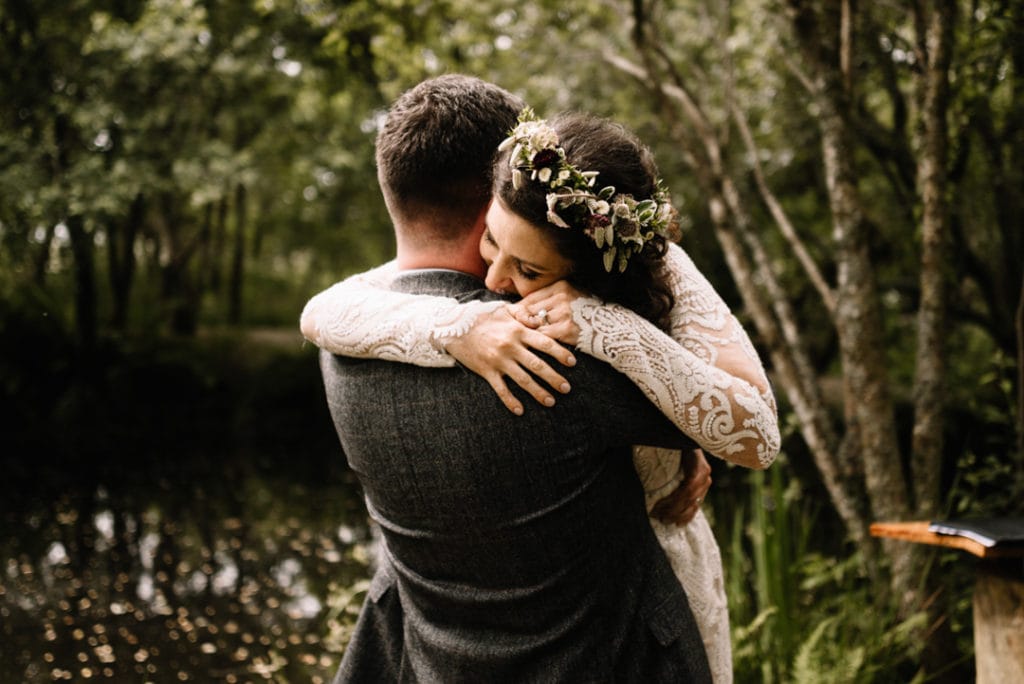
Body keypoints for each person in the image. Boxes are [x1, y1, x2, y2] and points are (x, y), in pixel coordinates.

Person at [303, 103, 780, 682]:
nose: (496, 283)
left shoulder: (630, 289)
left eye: (528, 271)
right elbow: (322, 309)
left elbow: (754, 429)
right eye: (490, 245)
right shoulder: (506, 285)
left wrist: (611, 329)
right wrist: (459, 330)